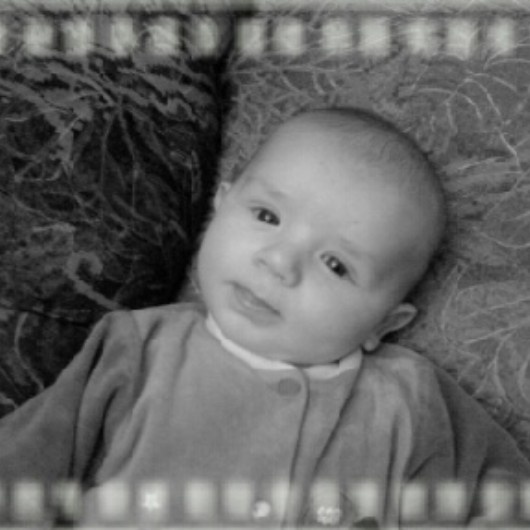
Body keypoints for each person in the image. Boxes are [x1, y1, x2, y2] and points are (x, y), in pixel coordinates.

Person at [0, 108, 528, 529]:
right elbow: (24, 464)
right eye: (267, 216)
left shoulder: (411, 397)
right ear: (221, 205)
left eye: (336, 264)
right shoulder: (139, 347)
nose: (279, 262)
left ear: (383, 325)